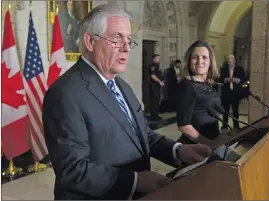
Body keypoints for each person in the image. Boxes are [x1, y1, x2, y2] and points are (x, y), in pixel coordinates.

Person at [42, 5, 212, 200]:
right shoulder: (64, 94)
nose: (125, 48)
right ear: (90, 41)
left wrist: (179, 151)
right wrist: (135, 181)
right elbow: (73, 170)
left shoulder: (121, 85)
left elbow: (142, 135)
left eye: (129, 40)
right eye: (117, 38)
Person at [176, 40, 221, 145]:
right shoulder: (188, 86)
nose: (199, 61)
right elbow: (183, 125)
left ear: (210, 62)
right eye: (195, 57)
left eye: (204, 57)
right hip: (196, 147)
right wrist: (209, 145)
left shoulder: (209, 84)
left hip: (212, 142)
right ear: (189, 61)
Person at [219, 54, 246, 130]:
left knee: (235, 111)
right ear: (227, 61)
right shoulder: (224, 69)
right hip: (226, 93)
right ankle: (224, 125)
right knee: (225, 111)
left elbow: (243, 79)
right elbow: (220, 79)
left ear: (234, 60)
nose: (230, 60)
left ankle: (236, 126)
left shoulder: (239, 69)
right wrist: (225, 79)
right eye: (228, 59)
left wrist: (236, 80)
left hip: (235, 93)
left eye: (231, 59)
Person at [149, 54, 164, 121]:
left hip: (158, 87)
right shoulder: (152, 66)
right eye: (157, 58)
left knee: (157, 101)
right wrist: (159, 81)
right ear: (154, 59)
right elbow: (153, 76)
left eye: (159, 58)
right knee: (154, 101)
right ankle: (153, 116)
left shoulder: (158, 66)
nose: (159, 59)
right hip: (154, 86)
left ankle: (156, 115)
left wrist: (162, 80)